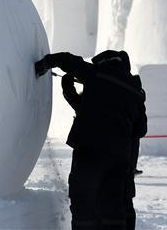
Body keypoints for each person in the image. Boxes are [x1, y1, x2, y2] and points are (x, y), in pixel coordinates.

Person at [35, 50, 146, 230]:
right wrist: (71, 94)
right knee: (112, 207)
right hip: (119, 159)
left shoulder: (96, 75)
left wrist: (45, 63)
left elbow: (68, 60)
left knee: (83, 203)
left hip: (90, 152)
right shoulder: (135, 91)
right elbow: (140, 129)